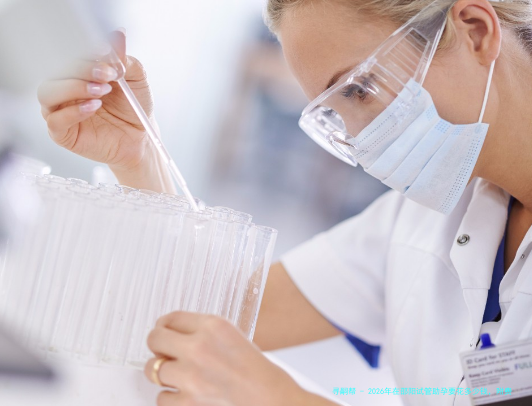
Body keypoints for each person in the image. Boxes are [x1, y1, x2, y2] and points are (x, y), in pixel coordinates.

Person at [36, 0, 532, 404]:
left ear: (475, 31)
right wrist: (140, 154)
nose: (360, 139)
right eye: (334, 112)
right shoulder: (428, 218)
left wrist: (281, 399)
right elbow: (215, 312)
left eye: (360, 89)